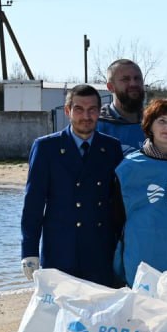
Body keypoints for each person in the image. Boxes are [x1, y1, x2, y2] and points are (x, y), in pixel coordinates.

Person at [20, 84, 124, 286]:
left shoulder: (111, 148)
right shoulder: (46, 148)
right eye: (79, 109)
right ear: (68, 111)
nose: (86, 116)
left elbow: (118, 204)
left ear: (99, 112)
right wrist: (29, 251)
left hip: (100, 251)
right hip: (60, 251)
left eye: (92, 109)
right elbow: (33, 204)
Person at [110, 99, 167, 286]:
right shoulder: (128, 167)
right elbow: (116, 222)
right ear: (150, 125)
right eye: (162, 121)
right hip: (141, 263)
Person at [96, 59, 146, 154]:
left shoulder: (156, 123)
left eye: (137, 78)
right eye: (125, 79)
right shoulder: (96, 126)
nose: (133, 84)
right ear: (110, 87)